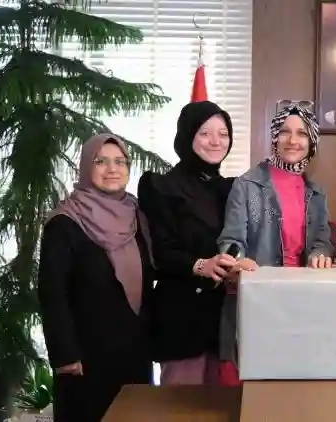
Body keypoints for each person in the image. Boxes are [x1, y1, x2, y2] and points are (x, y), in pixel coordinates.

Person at [38, 134, 155, 422]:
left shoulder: (137, 216)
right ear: (85, 167)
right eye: (100, 161)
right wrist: (65, 355)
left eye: (120, 162)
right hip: (86, 359)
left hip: (134, 353)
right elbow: (52, 294)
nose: (112, 169)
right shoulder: (64, 223)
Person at [216, 104, 335, 384]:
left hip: (302, 306)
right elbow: (231, 240)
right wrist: (236, 260)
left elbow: (322, 240)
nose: (293, 140)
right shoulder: (246, 185)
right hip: (258, 302)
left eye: (302, 133)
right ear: (273, 137)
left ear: (312, 141)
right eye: (284, 132)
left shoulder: (317, 193)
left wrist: (321, 253)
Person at [138, 101, 236, 385]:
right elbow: (159, 252)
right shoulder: (161, 186)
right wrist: (201, 265)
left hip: (224, 320)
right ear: (187, 135)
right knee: (180, 404)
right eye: (205, 133)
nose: (216, 141)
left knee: (221, 405)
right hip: (182, 318)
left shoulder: (230, 188)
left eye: (223, 134)